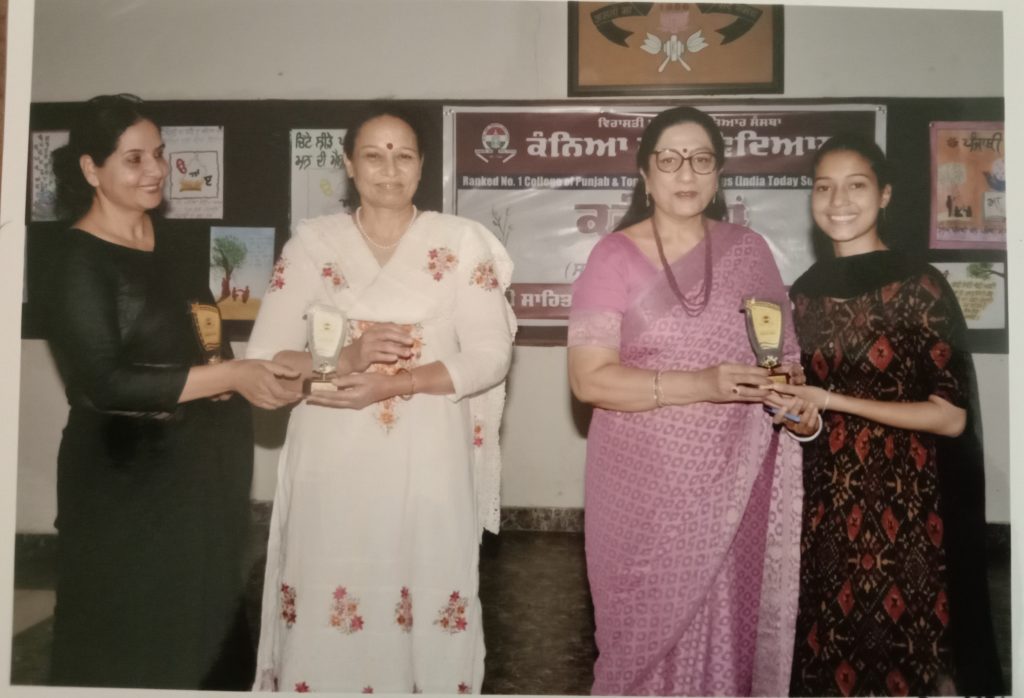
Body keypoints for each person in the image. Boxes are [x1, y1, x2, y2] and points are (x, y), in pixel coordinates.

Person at [246, 105, 516, 693]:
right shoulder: (314, 245)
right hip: (332, 459)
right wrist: (345, 359)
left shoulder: (461, 242)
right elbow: (266, 360)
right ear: (349, 164)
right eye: (373, 155)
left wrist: (396, 383)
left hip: (429, 460)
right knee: (328, 589)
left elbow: (492, 355)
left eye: (404, 156)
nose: (389, 170)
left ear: (422, 165)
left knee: (429, 583)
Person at [45, 94, 302, 689]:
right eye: (134, 159)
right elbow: (102, 381)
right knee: (130, 634)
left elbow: (206, 345)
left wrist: (256, 376)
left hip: (200, 473)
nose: (157, 170)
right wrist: (230, 376)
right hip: (122, 481)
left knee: (203, 625)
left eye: (159, 154)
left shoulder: (176, 245)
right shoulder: (75, 260)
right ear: (91, 169)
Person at [567, 106, 807, 696]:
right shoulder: (611, 257)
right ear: (645, 174)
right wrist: (701, 384)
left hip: (733, 489)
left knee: (725, 638)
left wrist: (793, 404)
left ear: (718, 173)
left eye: (701, 159)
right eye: (669, 159)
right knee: (635, 646)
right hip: (640, 492)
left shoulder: (749, 251)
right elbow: (589, 381)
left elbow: (784, 361)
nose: (686, 173)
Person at [767, 133, 1004, 696]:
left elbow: (949, 418)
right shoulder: (804, 293)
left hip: (911, 503)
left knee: (910, 654)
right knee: (833, 650)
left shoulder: (920, 284)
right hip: (828, 505)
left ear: (886, 194)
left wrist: (830, 400)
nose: (838, 201)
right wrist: (799, 412)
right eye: (823, 187)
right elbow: (813, 417)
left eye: (856, 185)